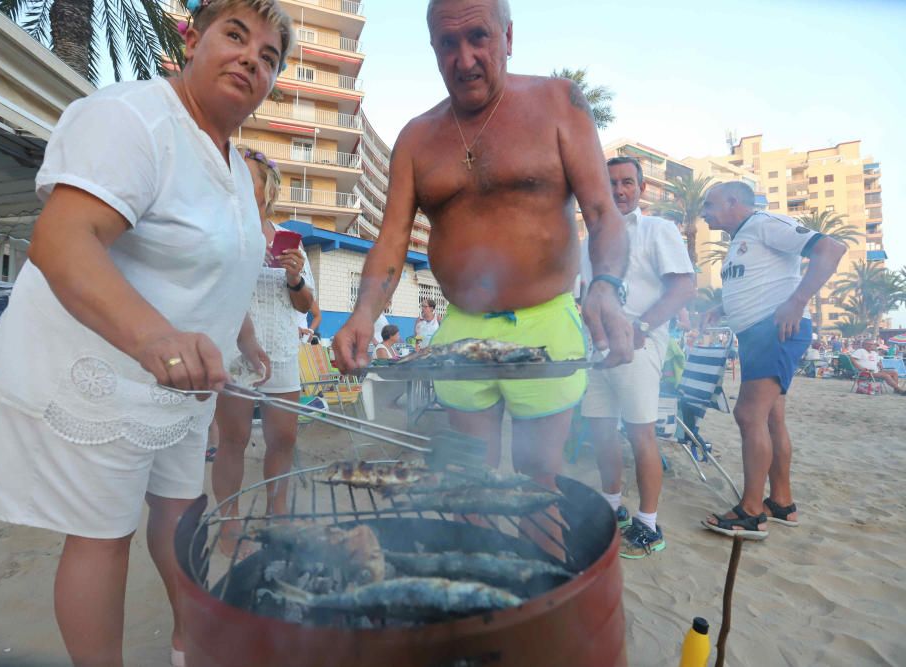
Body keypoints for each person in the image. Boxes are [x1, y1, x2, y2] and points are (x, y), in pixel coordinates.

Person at [0, 2, 291, 665]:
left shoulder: (236, 168)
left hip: (177, 389)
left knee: (183, 514)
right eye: (236, 36)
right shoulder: (134, 118)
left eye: (269, 57)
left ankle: (192, 645)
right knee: (103, 535)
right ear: (191, 38)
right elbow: (62, 242)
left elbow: (224, 270)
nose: (251, 60)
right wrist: (154, 339)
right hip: (94, 372)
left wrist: (245, 345)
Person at [331, 0, 633, 553]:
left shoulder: (558, 102)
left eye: (479, 37)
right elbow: (392, 240)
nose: (465, 58)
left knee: (536, 479)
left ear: (508, 37)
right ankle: (476, 591)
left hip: (545, 323)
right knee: (469, 476)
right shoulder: (417, 139)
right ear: (432, 48)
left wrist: (608, 290)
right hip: (461, 331)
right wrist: (362, 315)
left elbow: (602, 212)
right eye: (449, 43)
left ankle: (541, 605)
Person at [699, 181, 846, 540]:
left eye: (709, 203)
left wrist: (796, 302)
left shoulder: (765, 223)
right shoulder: (740, 238)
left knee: (749, 415)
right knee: (772, 417)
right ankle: (781, 503)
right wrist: (724, 307)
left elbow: (831, 247)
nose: (703, 212)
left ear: (734, 202)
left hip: (775, 330)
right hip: (756, 334)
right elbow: (759, 281)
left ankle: (751, 512)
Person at [580, 156, 696, 559]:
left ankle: (648, 525)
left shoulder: (657, 229)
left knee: (640, 434)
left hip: (640, 348)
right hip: (595, 351)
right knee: (599, 430)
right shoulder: (590, 240)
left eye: (627, 182)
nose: (619, 190)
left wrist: (643, 328)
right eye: (610, 182)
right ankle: (613, 509)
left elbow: (683, 287)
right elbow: (585, 295)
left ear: (642, 189)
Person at [212, 147, 315, 526]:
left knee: (284, 440)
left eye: (248, 175)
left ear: (267, 188)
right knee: (233, 441)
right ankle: (230, 522)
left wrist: (294, 277)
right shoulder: (223, 231)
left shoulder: (289, 239)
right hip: (237, 354)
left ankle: (278, 517)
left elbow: (304, 305)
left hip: (283, 352)